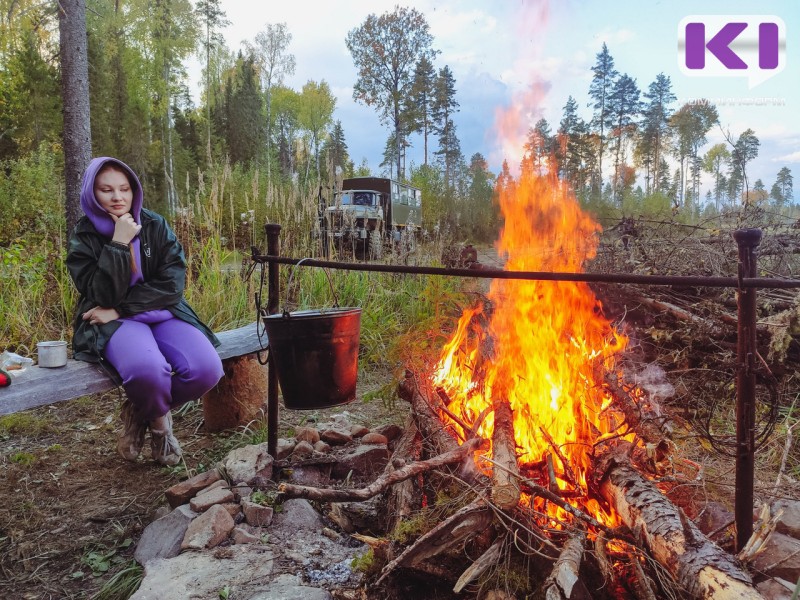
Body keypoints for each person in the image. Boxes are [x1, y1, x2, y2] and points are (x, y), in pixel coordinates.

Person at [67, 157, 224, 466]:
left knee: (207, 369)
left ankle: (140, 411)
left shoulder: (154, 224)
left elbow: (172, 286)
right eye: (106, 190)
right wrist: (117, 243)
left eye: (124, 189)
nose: (117, 197)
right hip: (114, 322)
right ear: (91, 193)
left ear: (134, 191)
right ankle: (160, 427)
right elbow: (100, 295)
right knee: (146, 371)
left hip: (160, 312)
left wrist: (121, 308)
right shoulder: (83, 237)